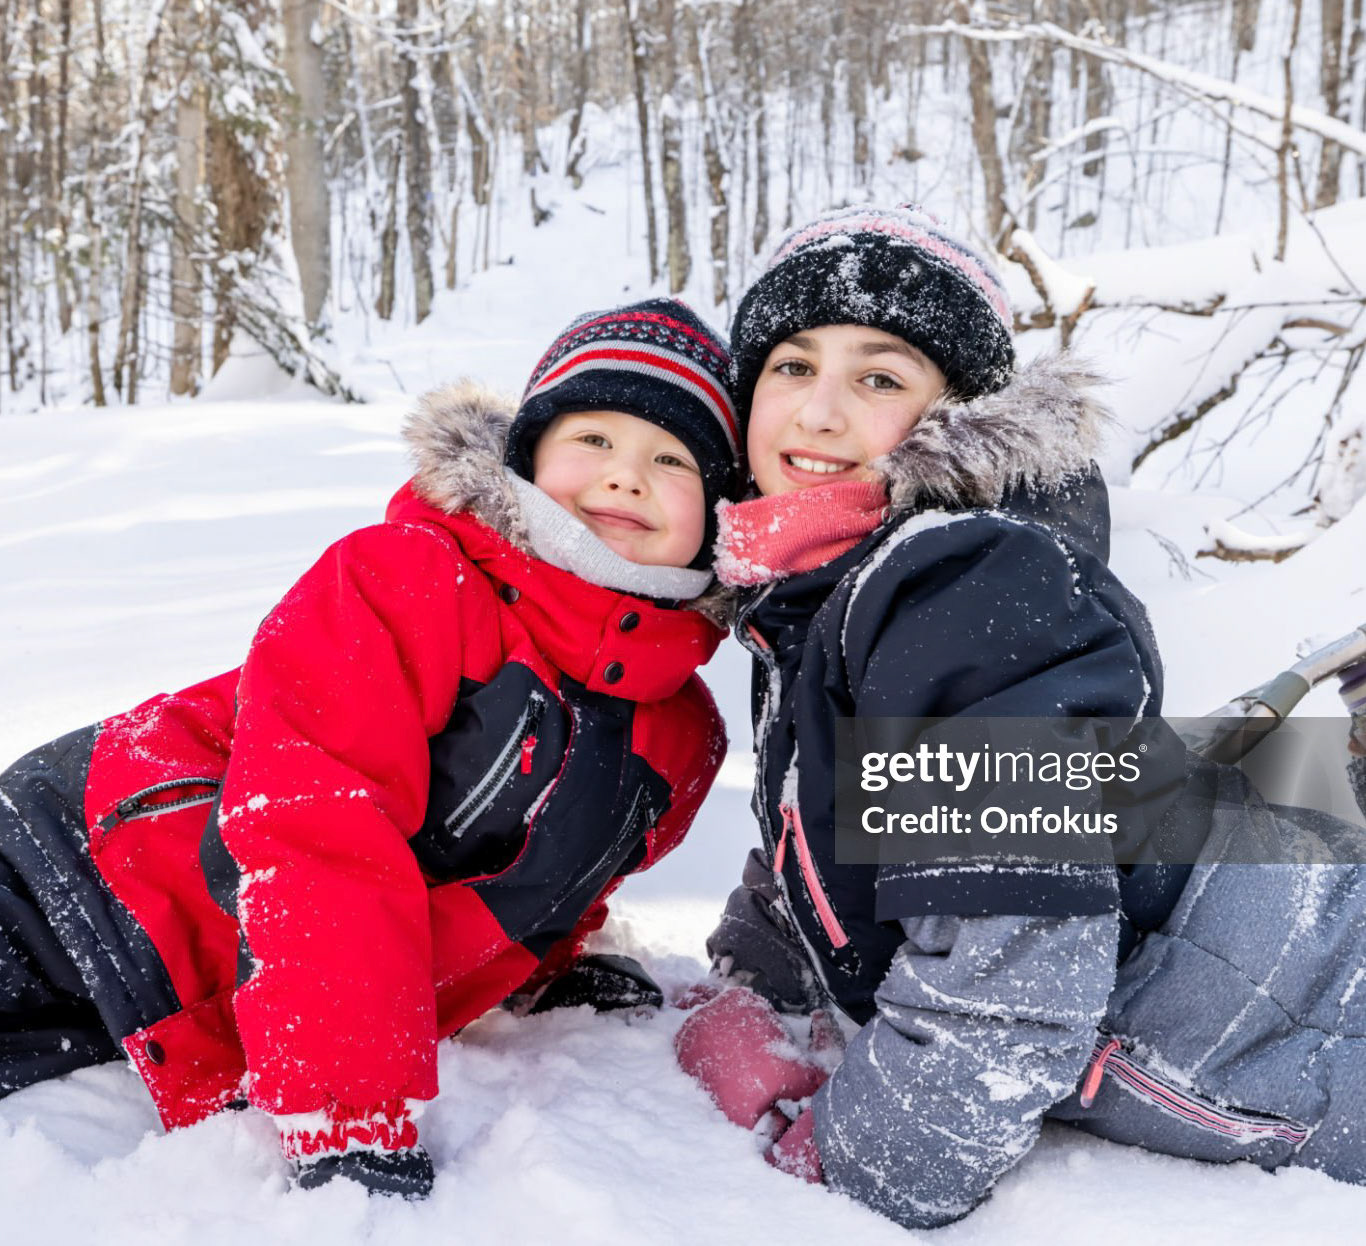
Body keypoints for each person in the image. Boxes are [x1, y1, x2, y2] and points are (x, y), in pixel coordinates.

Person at [676, 205, 1366, 1228]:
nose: (817, 415)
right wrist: (756, 981)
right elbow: (815, 829)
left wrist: (855, 1160)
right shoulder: (820, 592)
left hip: (1315, 1015)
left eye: (878, 378)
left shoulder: (957, 582)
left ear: (956, 416)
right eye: (789, 367)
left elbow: (1008, 996)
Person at [0, 299, 737, 1199]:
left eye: (670, 460)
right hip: (77, 867)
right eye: (593, 437)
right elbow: (316, 832)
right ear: (527, 457)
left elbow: (551, 864)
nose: (626, 478)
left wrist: (549, 968)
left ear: (718, 512)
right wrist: (347, 1104)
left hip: (176, 988)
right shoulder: (411, 580)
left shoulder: (680, 735)